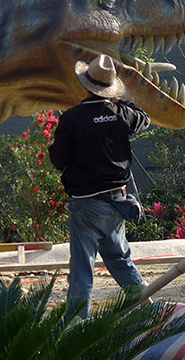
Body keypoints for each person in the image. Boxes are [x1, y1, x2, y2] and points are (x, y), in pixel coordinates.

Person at [48, 54, 150, 319]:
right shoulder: (122, 114)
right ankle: (149, 313)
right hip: (118, 202)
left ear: (86, 85)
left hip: (86, 205)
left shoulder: (71, 119)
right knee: (120, 261)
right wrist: (121, 102)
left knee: (83, 269)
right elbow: (144, 118)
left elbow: (58, 160)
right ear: (110, 88)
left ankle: (76, 327)